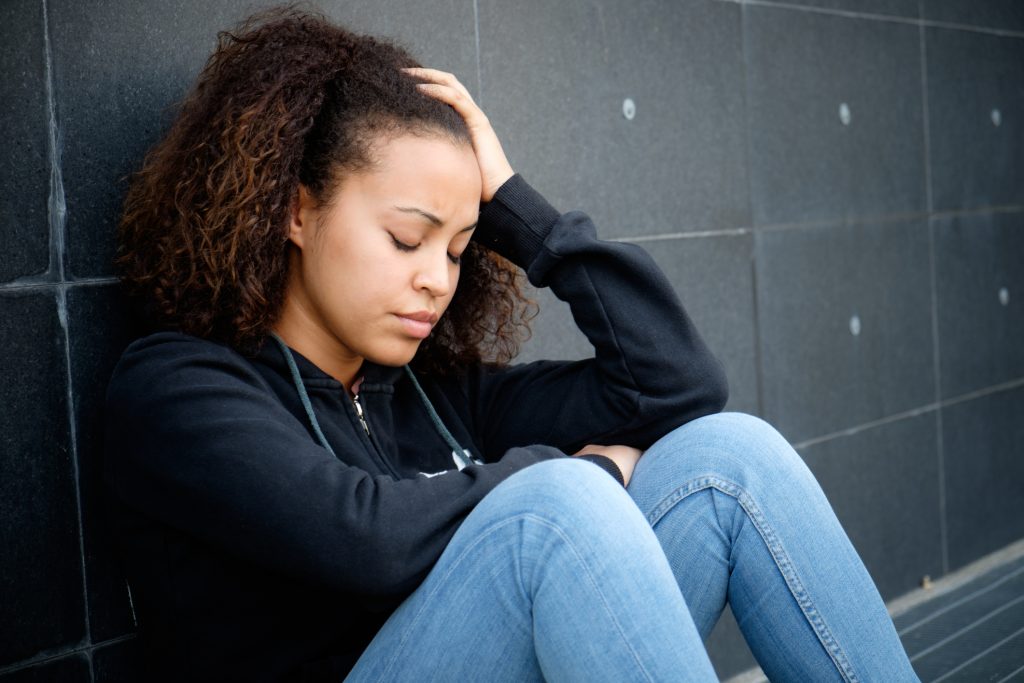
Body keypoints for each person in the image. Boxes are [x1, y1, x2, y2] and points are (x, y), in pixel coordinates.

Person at [102, 7, 920, 682]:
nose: (436, 278)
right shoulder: (178, 388)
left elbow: (678, 384)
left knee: (729, 456)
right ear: (297, 211)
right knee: (555, 509)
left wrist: (515, 206)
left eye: (459, 249)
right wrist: (582, 472)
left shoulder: (433, 394)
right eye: (406, 237)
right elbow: (365, 539)